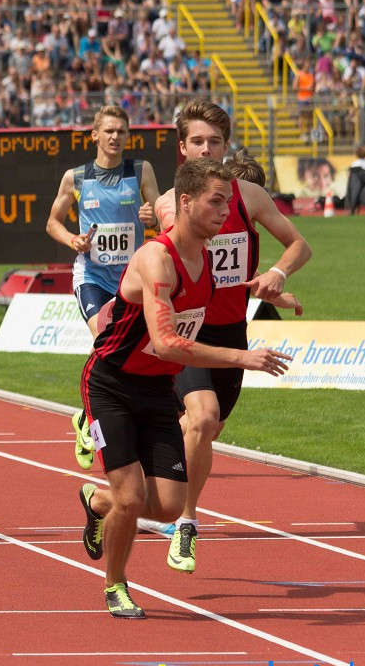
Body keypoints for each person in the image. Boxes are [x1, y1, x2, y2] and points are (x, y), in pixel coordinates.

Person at [79, 158, 293, 619]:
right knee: (133, 497)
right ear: (185, 202)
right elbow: (167, 342)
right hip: (110, 386)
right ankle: (116, 584)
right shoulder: (157, 259)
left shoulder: (207, 264)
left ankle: (98, 501)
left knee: (170, 507)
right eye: (215, 202)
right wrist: (241, 357)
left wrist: (276, 293)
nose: (224, 211)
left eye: (228, 203)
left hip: (156, 390)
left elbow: (221, 302)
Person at [150, 100, 311, 573]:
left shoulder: (249, 196)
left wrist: (275, 276)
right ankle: (187, 522)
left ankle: (116, 496)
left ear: (226, 145)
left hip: (232, 333)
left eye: (215, 142)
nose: (206, 149)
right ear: (182, 148)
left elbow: (300, 244)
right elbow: (175, 266)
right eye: (197, 141)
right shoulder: (170, 205)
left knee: (203, 430)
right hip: (188, 331)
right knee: (203, 418)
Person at [45, 105, 161, 471]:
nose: (115, 137)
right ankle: (95, 425)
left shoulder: (140, 171)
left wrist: (152, 215)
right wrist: (72, 240)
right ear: (94, 135)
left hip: (132, 280)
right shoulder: (75, 178)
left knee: (125, 352)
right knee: (107, 341)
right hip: (92, 277)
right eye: (109, 131)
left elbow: (159, 211)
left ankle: (86, 418)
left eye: (121, 132)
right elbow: (52, 222)